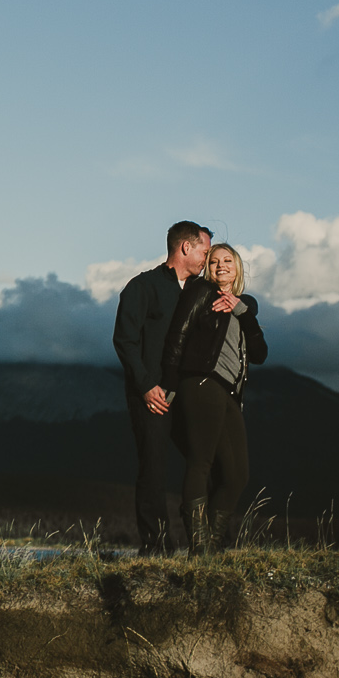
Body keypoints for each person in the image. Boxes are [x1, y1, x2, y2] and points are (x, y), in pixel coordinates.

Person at [161, 242, 267, 555]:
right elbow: (178, 334)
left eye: (227, 260)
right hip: (202, 382)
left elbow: (260, 354)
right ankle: (200, 546)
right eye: (215, 261)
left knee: (237, 475)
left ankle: (214, 543)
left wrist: (242, 310)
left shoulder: (243, 306)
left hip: (229, 393)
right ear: (208, 269)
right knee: (201, 461)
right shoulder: (200, 293)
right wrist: (170, 381)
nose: (221, 266)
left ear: (238, 267)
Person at [112, 220, 210, 556]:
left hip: (191, 395)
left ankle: (204, 542)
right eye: (204, 251)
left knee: (205, 461)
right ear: (186, 247)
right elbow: (124, 340)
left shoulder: (201, 289)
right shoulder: (143, 287)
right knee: (153, 468)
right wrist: (145, 386)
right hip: (152, 396)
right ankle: (156, 547)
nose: (207, 260)